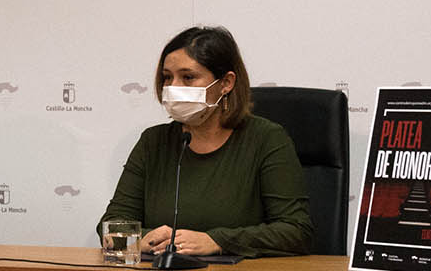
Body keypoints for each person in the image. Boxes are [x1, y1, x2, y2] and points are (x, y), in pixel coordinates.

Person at [99, 26, 312, 257]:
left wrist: (218, 241)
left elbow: (296, 231)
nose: (173, 87)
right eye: (167, 77)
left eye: (188, 77)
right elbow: (110, 228)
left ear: (226, 83)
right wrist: (142, 241)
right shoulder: (153, 142)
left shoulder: (266, 139)